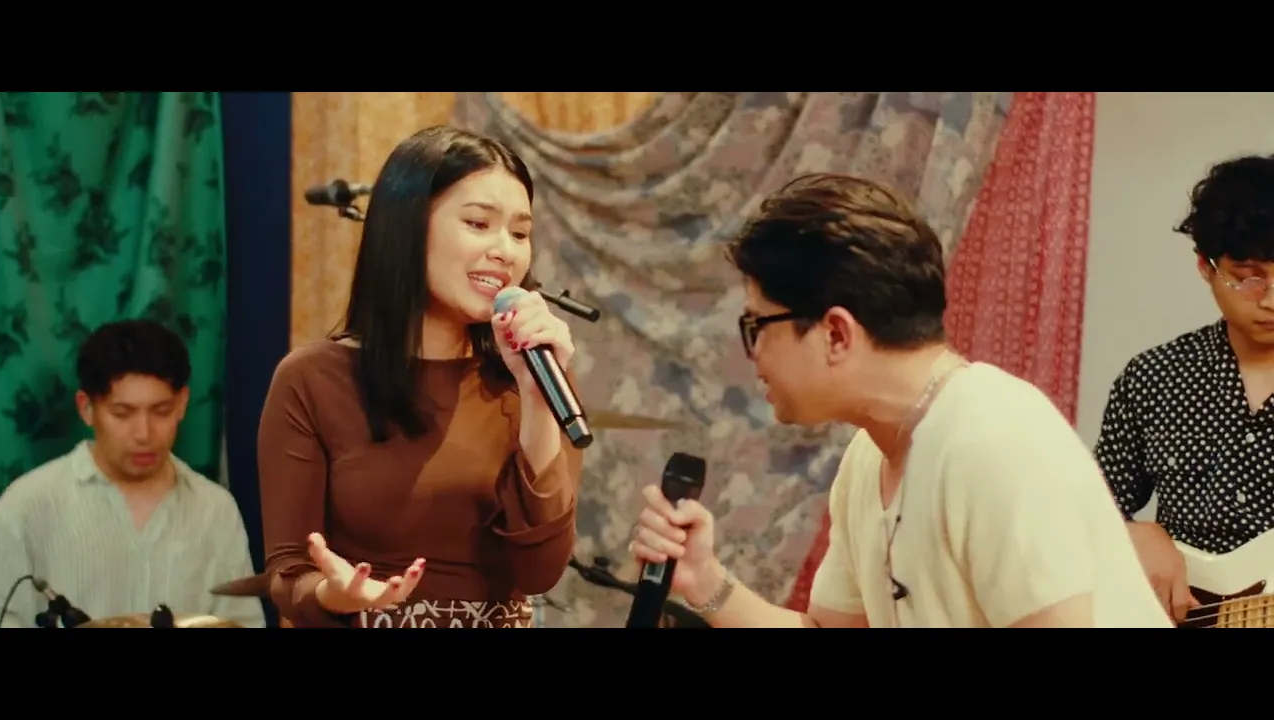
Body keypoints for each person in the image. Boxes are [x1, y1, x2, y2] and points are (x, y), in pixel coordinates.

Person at [628, 173, 1171, 628]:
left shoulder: (995, 441)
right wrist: (706, 581)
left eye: (757, 325)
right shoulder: (870, 457)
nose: (753, 353)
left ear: (836, 333)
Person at [258, 125, 584, 629]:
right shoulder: (311, 380)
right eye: (478, 223)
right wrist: (333, 594)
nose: (506, 251)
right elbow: (287, 573)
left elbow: (541, 572)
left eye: (520, 233)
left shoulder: (536, 379)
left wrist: (536, 396)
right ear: (407, 228)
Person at [1094, 154, 1274, 623]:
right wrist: (1130, 533)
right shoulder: (1153, 378)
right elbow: (1085, 510)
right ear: (1205, 267)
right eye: (1248, 278)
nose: (1271, 300)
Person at [0, 320, 264, 628]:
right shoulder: (26, 507)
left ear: (182, 403)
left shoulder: (215, 509)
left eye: (161, 411)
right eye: (122, 414)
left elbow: (241, 622)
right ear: (86, 408)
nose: (144, 433)